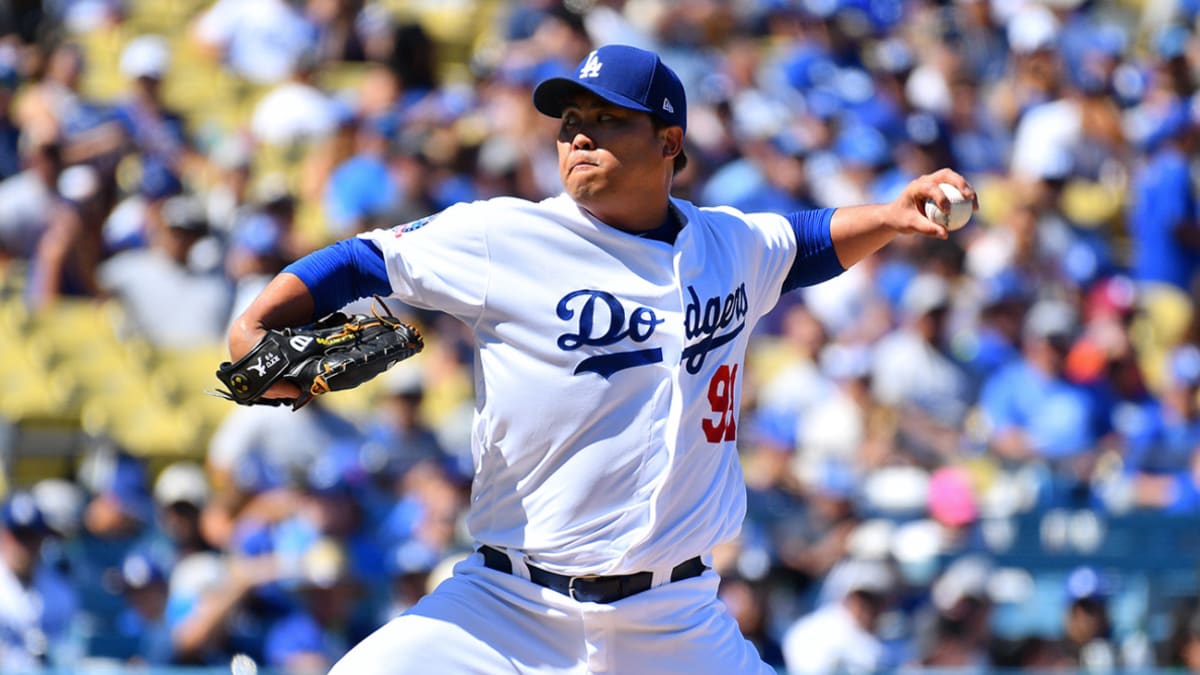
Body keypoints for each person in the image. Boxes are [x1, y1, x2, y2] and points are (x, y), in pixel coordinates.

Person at [227, 44, 976, 674]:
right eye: (570, 123)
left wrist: (887, 215)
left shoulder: (727, 243)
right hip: (506, 608)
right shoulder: (504, 235)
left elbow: (804, 242)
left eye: (606, 119)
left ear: (668, 142)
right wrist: (259, 321)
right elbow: (363, 260)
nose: (579, 136)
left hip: (674, 619)